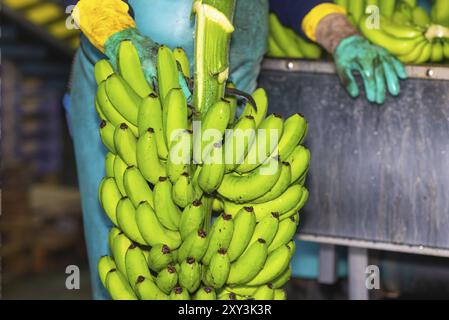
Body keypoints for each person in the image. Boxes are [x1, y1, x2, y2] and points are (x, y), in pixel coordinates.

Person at [65, 0, 406, 299]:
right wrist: (116, 33)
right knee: (134, 247)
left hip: (232, 100)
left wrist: (340, 34)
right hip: (133, 95)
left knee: (231, 245)